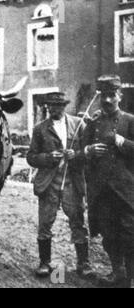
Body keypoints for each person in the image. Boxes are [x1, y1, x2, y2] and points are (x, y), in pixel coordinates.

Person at [27, 92, 93, 279]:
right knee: (45, 223)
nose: (56, 109)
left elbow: (86, 153)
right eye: (52, 106)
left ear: (65, 106)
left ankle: (83, 262)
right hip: (49, 184)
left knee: (78, 222)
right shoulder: (40, 129)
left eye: (59, 106)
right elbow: (31, 157)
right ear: (47, 107)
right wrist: (48, 158)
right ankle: (44, 263)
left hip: (72, 182)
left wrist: (76, 154)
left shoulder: (78, 125)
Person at [83, 75, 134, 288]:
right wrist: (89, 150)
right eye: (104, 96)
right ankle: (117, 273)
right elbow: (79, 150)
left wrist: (122, 142)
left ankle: (130, 277)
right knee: (109, 234)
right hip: (102, 191)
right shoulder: (93, 123)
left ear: (119, 96)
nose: (107, 100)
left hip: (126, 191)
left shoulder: (130, 121)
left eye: (112, 95)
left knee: (130, 234)